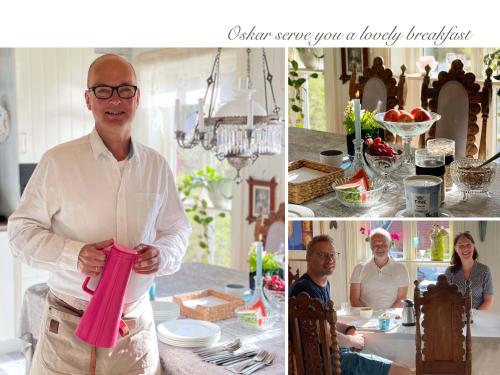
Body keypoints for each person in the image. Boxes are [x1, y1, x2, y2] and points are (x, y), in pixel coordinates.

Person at [8, 54, 191, 374]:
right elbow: (20, 232)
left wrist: (162, 253)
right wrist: (73, 254)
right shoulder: (58, 162)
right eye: (103, 90)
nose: (114, 100)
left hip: (133, 335)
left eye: (124, 90)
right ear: (88, 99)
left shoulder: (157, 166)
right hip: (67, 332)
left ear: (137, 98)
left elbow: (177, 229)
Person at [289, 235, 411, 375]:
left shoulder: (323, 284)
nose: (330, 259)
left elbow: (326, 322)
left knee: (388, 358)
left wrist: (348, 328)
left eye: (333, 254)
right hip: (324, 363)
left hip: (333, 354)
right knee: (403, 372)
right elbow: (326, 336)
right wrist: (352, 341)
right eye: (322, 254)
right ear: (309, 258)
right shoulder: (305, 290)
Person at [350, 228, 409, 310]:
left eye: (383, 245)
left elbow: (401, 299)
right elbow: (354, 299)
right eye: (375, 245)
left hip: (391, 318)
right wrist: (368, 315)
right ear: (370, 247)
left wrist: (386, 315)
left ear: (389, 246)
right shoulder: (359, 268)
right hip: (365, 317)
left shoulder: (400, 269)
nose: (379, 248)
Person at [444, 232, 494, 310]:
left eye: (468, 244)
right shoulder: (449, 272)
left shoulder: (484, 270)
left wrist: (473, 318)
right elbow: (444, 299)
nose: (465, 248)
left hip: (478, 319)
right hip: (454, 318)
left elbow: (488, 301)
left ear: (473, 246)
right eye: (461, 245)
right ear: (456, 249)